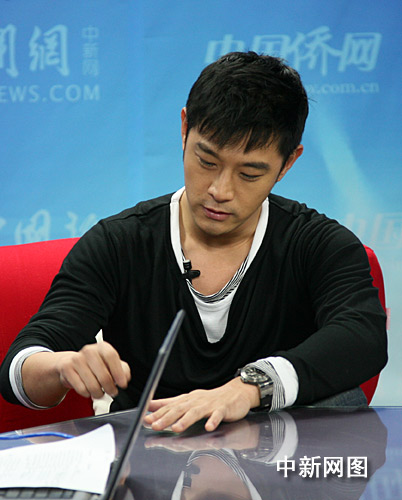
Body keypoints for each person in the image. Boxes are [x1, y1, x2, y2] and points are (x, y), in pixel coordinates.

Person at [0, 52, 387, 434]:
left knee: (344, 406)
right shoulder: (119, 243)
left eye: (249, 174)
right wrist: (61, 367)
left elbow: (363, 337)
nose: (220, 190)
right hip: (147, 457)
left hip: (273, 457)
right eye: (207, 161)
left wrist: (250, 388)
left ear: (288, 163)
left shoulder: (319, 245)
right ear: (185, 128)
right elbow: (20, 366)